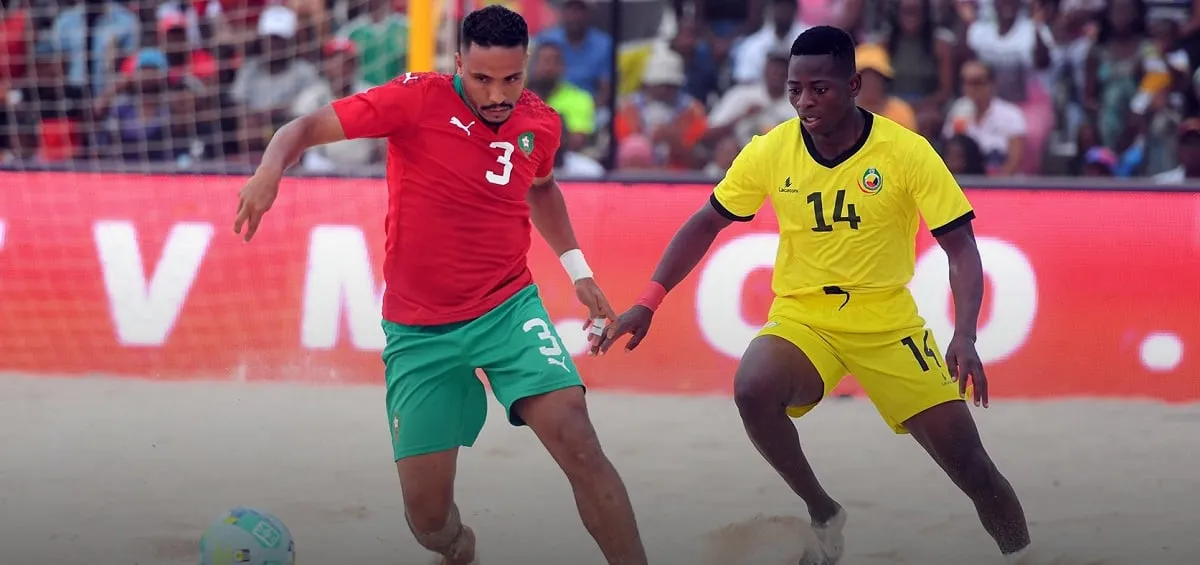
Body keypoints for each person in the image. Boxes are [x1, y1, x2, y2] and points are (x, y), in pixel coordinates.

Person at [601, 25, 1041, 565]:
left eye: (820, 89)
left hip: (887, 323)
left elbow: (962, 248)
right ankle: (824, 510)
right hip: (804, 316)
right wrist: (649, 299)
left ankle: (1023, 555)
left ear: (853, 84)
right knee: (752, 387)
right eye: (795, 89)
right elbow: (704, 223)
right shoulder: (770, 150)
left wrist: (966, 333)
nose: (805, 102)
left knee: (971, 466)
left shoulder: (907, 152)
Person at [233, 6, 649, 565]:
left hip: (508, 309)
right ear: (458, 63)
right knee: (429, 522)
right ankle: (458, 550)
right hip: (420, 331)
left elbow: (543, 189)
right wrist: (269, 171)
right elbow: (303, 128)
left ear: (525, 67)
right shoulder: (416, 100)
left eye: (511, 78)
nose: (499, 93)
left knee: (578, 438)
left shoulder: (540, 123)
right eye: (482, 78)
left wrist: (578, 270)